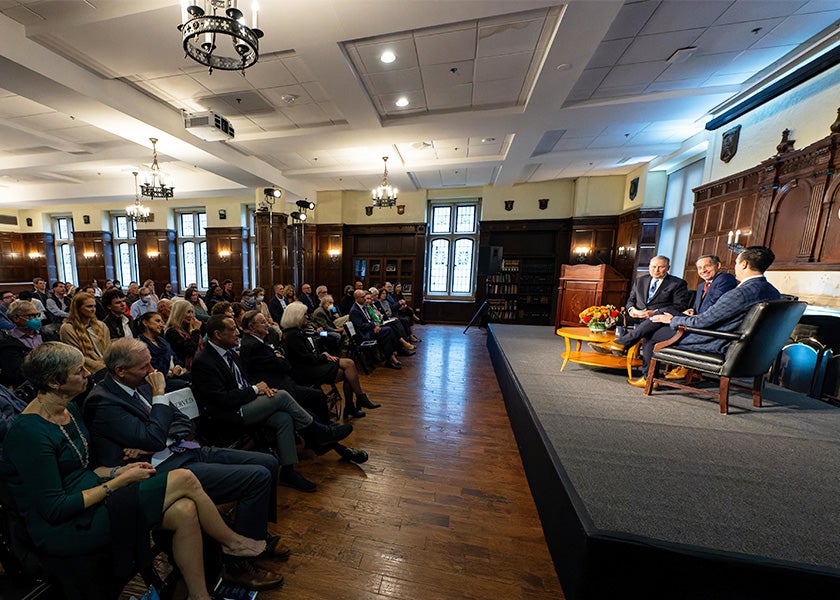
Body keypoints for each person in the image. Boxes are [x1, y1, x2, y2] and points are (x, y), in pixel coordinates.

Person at [4, 342, 282, 598]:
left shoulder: (68, 411)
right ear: (54, 382)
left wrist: (113, 473)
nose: (89, 373)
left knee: (185, 509)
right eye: (79, 371)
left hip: (92, 495)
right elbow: (55, 507)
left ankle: (200, 595)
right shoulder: (29, 433)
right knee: (185, 478)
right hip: (66, 525)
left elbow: (83, 468)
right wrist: (118, 480)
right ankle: (232, 543)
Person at [83, 338, 286, 589]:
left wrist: (158, 435)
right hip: (162, 468)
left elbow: (181, 421)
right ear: (120, 371)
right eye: (144, 367)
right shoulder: (104, 401)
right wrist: (159, 400)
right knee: (256, 476)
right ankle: (236, 562)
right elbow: (155, 437)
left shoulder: (141, 383)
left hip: (182, 449)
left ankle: (252, 536)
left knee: (268, 462)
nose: (152, 372)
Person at [191, 315, 352, 492]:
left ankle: (288, 471)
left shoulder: (228, 352)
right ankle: (320, 431)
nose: (237, 333)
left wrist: (262, 388)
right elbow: (222, 399)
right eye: (232, 329)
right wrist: (254, 390)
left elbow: (247, 379)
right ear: (218, 334)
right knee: (282, 396)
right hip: (229, 413)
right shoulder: (204, 362)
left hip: (245, 401)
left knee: (283, 418)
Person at [630, 247, 782, 387]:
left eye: (736, 262)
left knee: (651, 334)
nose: (735, 266)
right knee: (660, 321)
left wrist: (672, 320)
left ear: (744, 264)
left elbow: (703, 321)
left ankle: (648, 379)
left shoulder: (739, 293)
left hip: (715, 341)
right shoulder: (773, 292)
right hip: (746, 346)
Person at [240, 311, 369, 463]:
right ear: (252, 327)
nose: (267, 324)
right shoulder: (255, 345)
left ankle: (325, 435)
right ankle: (329, 440)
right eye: (262, 322)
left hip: (287, 381)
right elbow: (285, 365)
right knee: (309, 411)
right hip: (278, 387)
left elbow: (284, 361)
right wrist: (279, 357)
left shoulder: (260, 341)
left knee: (318, 396)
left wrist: (278, 356)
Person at [591, 254, 737, 384]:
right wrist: (633, 310)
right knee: (641, 329)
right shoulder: (701, 286)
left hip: (698, 326)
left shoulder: (724, 279)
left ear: (718, 266)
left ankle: (623, 345)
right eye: (699, 267)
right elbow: (631, 300)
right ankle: (648, 377)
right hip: (648, 318)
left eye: (707, 266)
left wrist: (655, 313)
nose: (703, 270)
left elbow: (714, 309)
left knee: (663, 312)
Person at [282, 301, 380, 419]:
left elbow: (309, 349)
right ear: (296, 317)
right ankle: (359, 399)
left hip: (312, 362)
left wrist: (322, 352)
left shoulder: (298, 331)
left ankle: (352, 405)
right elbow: (306, 358)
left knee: (348, 373)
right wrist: (323, 356)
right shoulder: (293, 335)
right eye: (304, 315)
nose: (307, 317)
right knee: (349, 365)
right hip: (306, 371)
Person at [59, 292, 111, 377]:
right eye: (89, 306)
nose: (93, 309)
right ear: (78, 308)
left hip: (107, 367)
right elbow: (78, 356)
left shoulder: (101, 325)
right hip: (86, 372)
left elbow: (108, 349)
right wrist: (102, 369)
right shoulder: (68, 328)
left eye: (94, 306)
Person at [349, 290, 401, 369]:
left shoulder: (364, 306)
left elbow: (370, 319)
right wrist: (373, 325)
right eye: (362, 297)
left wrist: (375, 325)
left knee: (388, 332)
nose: (365, 299)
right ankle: (390, 357)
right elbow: (361, 326)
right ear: (356, 298)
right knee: (388, 330)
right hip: (364, 334)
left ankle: (389, 358)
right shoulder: (354, 310)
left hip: (370, 330)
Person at [135, 311, 189, 388]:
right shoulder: (140, 344)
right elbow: (151, 367)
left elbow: (175, 357)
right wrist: (170, 371)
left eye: (162, 322)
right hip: (157, 382)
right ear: (145, 323)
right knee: (186, 384)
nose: (161, 325)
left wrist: (178, 367)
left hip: (173, 375)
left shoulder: (162, 340)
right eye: (157, 321)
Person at [0, 300, 44, 388]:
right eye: (30, 316)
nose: (35, 319)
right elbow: (17, 374)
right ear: (16, 318)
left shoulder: (46, 335)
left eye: (36, 315)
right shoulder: (8, 345)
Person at [165, 299, 204, 369]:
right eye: (188, 312)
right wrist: (196, 330)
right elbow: (189, 349)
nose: (191, 315)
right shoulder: (171, 331)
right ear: (179, 313)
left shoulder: (189, 329)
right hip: (184, 367)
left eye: (192, 312)